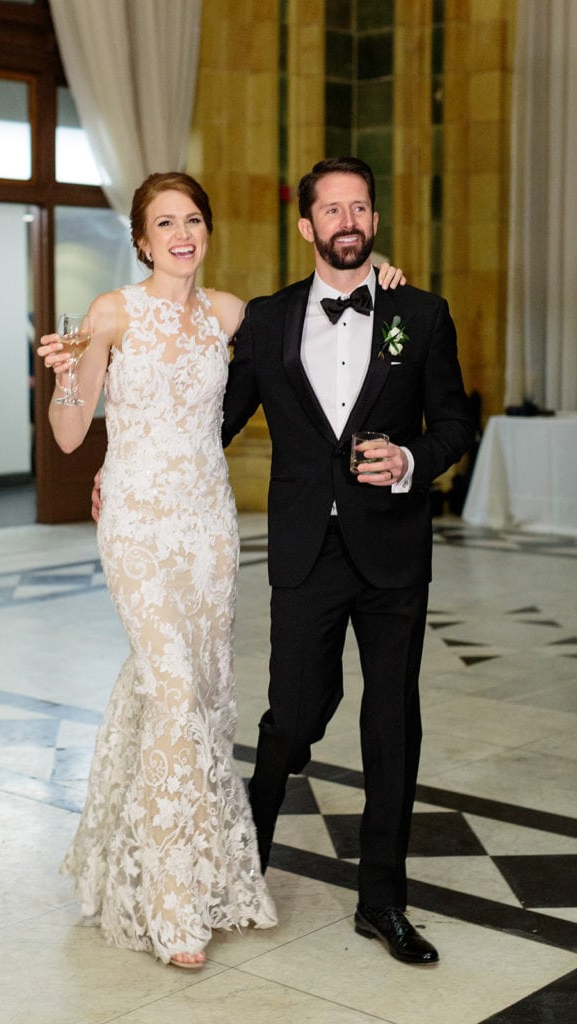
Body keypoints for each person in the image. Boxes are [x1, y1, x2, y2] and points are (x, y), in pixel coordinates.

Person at [219, 156, 474, 965]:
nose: (346, 220)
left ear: (373, 219)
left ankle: (382, 902)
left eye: (358, 206)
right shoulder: (265, 319)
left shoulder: (421, 313)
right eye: (331, 209)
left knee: (391, 724)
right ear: (306, 227)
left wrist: (407, 461)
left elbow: (455, 426)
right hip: (302, 549)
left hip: (392, 550)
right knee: (291, 718)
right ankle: (239, 870)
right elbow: (211, 422)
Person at [37, 172, 278, 970]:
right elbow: (72, 437)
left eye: (193, 219)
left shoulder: (231, 314)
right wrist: (66, 372)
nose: (181, 232)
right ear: (141, 239)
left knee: (195, 695)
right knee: (172, 686)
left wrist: (380, 278)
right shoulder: (112, 311)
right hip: (139, 523)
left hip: (210, 527)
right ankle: (171, 907)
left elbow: (311, 331)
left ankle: (165, 865)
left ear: (206, 231)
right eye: (164, 222)